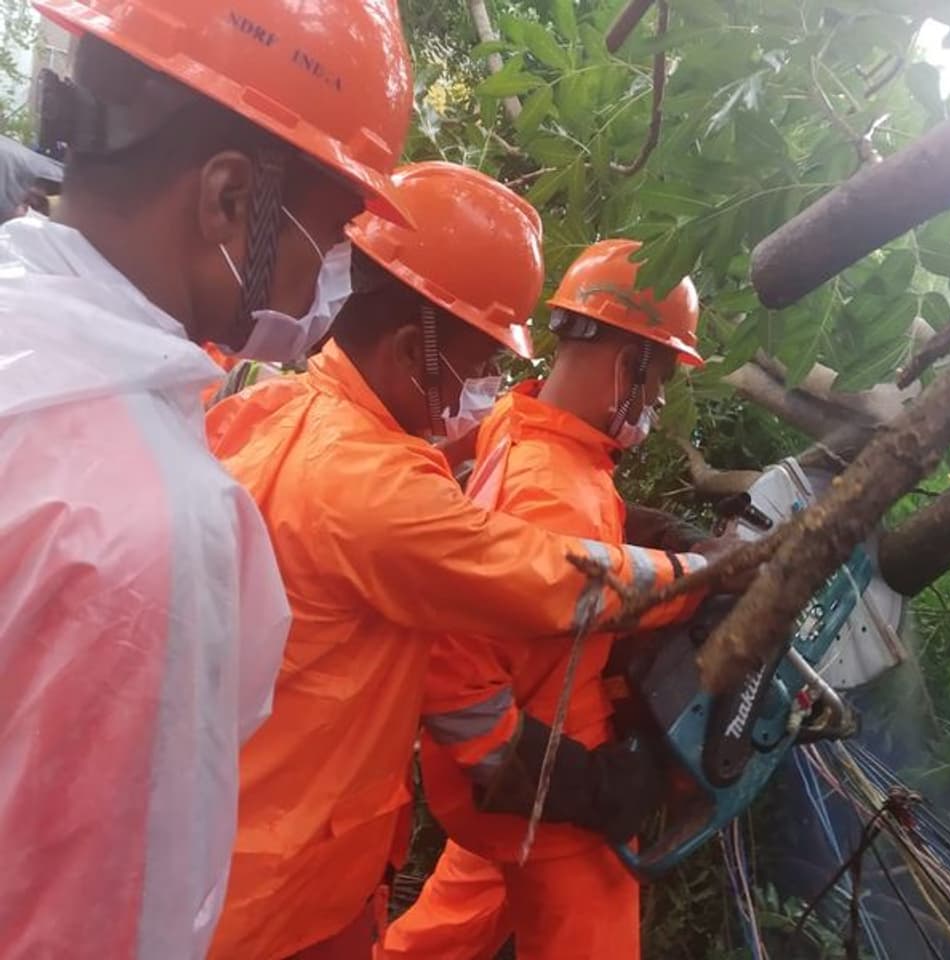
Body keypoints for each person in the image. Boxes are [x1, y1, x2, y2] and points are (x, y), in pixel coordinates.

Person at [205, 165, 724, 960]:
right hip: (289, 887)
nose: (485, 390)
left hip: (238, 833)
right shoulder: (374, 486)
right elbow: (541, 578)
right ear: (415, 349)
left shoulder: (273, 410)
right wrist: (707, 575)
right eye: (479, 366)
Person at [0, 1, 412, 957]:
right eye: (333, 231)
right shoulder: (147, 533)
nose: (334, 278)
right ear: (230, 201)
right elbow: (104, 926)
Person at [378, 239, 704, 960]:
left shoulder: (519, 425)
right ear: (632, 364)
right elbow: (457, 657)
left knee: (446, 928)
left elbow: (574, 539)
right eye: (658, 384)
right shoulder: (558, 491)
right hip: (545, 789)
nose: (653, 403)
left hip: (510, 786)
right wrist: (558, 780)